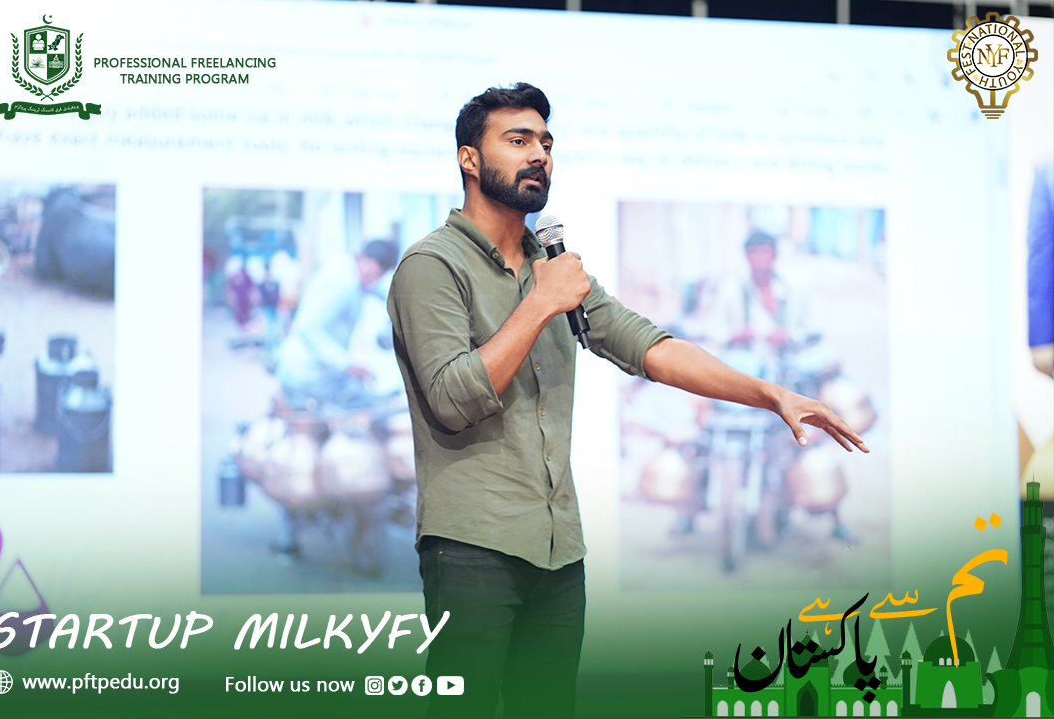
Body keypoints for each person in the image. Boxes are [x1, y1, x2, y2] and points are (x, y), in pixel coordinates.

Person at [386, 83, 868, 719]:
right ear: (468, 159)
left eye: (546, 143)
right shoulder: (432, 266)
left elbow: (650, 346)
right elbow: (452, 398)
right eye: (518, 140)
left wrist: (769, 394)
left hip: (559, 549)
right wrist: (540, 303)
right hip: (472, 546)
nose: (539, 155)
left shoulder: (554, 269)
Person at [275, 239, 399, 408]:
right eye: (371, 274)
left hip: (309, 370)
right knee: (367, 405)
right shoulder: (343, 283)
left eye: (377, 277)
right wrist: (347, 365)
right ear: (363, 257)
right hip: (305, 374)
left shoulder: (350, 271)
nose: (371, 280)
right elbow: (308, 329)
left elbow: (375, 290)